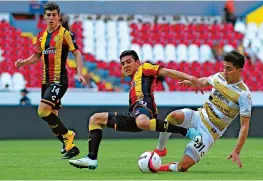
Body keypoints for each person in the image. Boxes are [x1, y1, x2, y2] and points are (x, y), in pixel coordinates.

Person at [68, 50, 204, 170]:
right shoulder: (133, 79)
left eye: (128, 62)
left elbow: (167, 72)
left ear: (137, 62)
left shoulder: (144, 68)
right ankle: (91, 158)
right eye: (122, 64)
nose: (125, 66)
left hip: (145, 107)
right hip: (133, 113)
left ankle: (187, 131)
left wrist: (192, 78)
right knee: (95, 119)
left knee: (142, 121)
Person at [154, 50, 252, 172]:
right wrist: (194, 82)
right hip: (199, 116)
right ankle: (160, 149)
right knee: (173, 116)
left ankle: (164, 167)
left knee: (183, 167)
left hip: (210, 131)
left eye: (229, 69)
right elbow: (206, 80)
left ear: (239, 70)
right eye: (224, 68)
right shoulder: (219, 77)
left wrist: (237, 151)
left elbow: (244, 125)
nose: (225, 72)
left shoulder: (243, 94)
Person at [15, 2, 86, 159]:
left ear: (58, 16)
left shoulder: (65, 34)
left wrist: (79, 73)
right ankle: (70, 147)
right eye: (49, 15)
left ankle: (68, 135)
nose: (51, 17)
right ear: (44, 17)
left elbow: (77, 54)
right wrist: (23, 62)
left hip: (59, 79)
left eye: (54, 15)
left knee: (42, 111)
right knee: (52, 116)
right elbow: (36, 57)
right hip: (46, 81)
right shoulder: (41, 36)